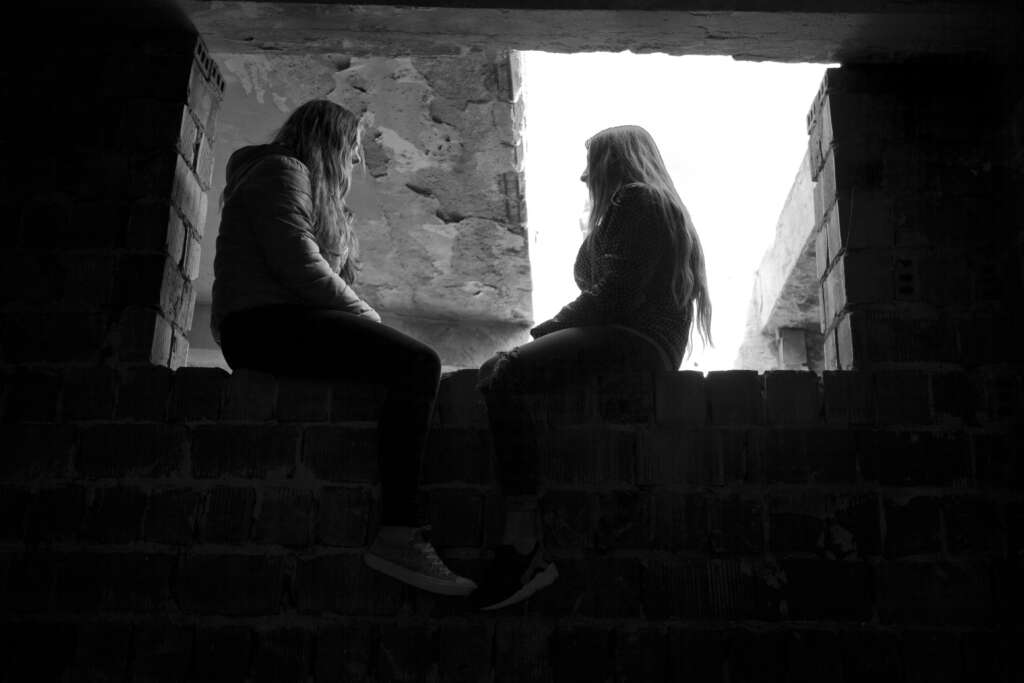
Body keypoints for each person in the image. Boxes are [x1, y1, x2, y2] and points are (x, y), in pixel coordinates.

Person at [210, 99, 476, 597]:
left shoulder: (305, 185)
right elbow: (300, 267)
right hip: (261, 326)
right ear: (329, 141)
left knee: (396, 367)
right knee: (420, 363)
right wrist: (368, 319)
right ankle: (400, 534)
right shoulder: (280, 169)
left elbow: (321, 273)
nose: (355, 162)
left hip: (276, 323)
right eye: (352, 148)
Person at [472, 125, 712, 610]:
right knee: (510, 371)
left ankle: (522, 542)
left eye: (592, 164)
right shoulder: (648, 206)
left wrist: (539, 336)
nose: (584, 177)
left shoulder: (637, 199)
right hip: (643, 344)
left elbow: (614, 297)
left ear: (613, 162)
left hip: (633, 340)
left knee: (505, 374)